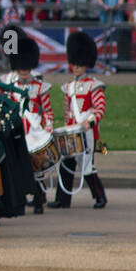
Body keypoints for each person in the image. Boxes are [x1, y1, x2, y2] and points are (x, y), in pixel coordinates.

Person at [50, 31, 107, 209]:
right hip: (73, 131)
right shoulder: (68, 87)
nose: (76, 67)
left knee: (87, 166)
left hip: (87, 132)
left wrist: (89, 122)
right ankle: (63, 199)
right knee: (67, 164)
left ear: (86, 65)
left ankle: (100, 197)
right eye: (74, 64)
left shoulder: (94, 85)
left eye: (80, 64)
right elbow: (68, 113)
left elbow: (99, 108)